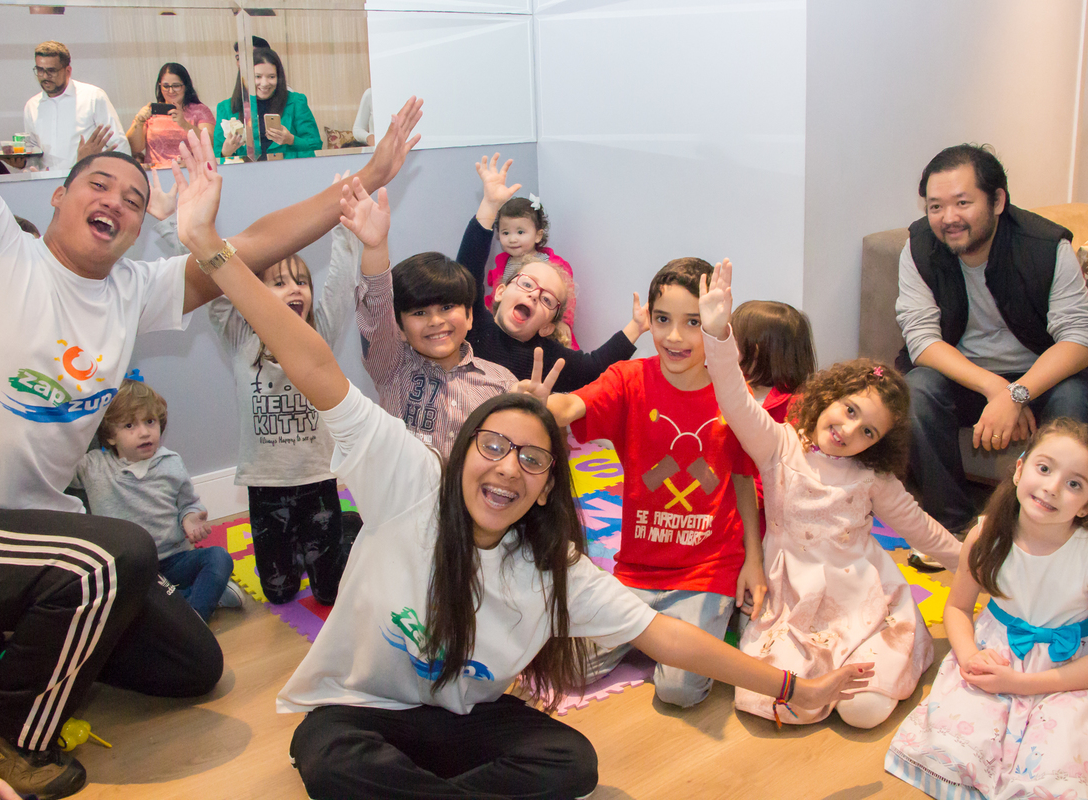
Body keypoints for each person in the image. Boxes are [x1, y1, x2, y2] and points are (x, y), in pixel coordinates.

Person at [167, 130, 874, 800]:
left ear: (545, 489)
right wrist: (209, 248)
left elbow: (668, 636)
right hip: (363, 709)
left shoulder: (549, 565)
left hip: (464, 717)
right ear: (466, 450)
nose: (508, 470)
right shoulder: (409, 480)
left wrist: (792, 688)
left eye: (532, 461)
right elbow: (312, 359)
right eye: (495, 447)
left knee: (571, 761)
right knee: (334, 758)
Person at [0, 88, 422, 798]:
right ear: (57, 198)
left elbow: (262, 242)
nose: (116, 199)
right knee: (117, 554)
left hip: (40, 537)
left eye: (135, 198)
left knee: (194, 666)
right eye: (98, 184)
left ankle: (12, 645)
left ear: (141, 225)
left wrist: (374, 177)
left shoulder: (131, 292)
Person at [698, 258, 962, 729]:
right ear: (828, 396)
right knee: (784, 704)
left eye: (868, 431)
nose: (849, 430)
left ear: (879, 445)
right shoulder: (777, 444)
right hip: (792, 599)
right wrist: (717, 334)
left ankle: (882, 664)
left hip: (862, 601)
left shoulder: (872, 478)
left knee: (864, 712)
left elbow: (920, 530)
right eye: (848, 410)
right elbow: (734, 398)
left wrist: (975, 565)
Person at [885, 419, 1088, 798]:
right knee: (958, 747)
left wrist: (1021, 684)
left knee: (1058, 763)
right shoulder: (986, 534)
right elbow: (958, 608)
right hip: (1000, 654)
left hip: (1075, 670)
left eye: (1074, 484)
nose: (1052, 488)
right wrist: (970, 656)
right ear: (1019, 468)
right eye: (1044, 469)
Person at [540, 258, 762, 709]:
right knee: (565, 669)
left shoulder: (732, 396)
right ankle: (661, 636)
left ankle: (697, 629)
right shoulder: (630, 379)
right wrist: (544, 407)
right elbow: (573, 406)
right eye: (663, 320)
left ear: (716, 324)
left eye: (693, 323)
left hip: (706, 571)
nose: (674, 337)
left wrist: (753, 561)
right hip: (636, 570)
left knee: (678, 692)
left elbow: (743, 479)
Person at [896, 144, 1088, 538]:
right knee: (915, 393)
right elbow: (921, 339)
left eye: (962, 203)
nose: (948, 218)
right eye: (935, 206)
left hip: (1041, 372)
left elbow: (1080, 338)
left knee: (1073, 403)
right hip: (970, 375)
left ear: (998, 201)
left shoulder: (1046, 246)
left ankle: (1038, 530)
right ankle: (952, 529)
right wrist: (997, 389)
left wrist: (1018, 393)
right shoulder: (919, 246)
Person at [209, 207, 366, 606]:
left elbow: (341, 280)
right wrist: (176, 227)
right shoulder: (240, 335)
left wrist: (345, 223)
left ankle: (346, 527)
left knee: (329, 594)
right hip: (266, 485)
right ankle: (303, 546)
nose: (295, 289)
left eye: (300, 282)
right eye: (278, 283)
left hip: (317, 480)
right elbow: (208, 276)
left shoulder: (319, 333)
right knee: (278, 596)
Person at [348, 179, 515, 458]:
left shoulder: (501, 384)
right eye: (419, 312)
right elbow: (377, 311)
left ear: (470, 315)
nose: (436, 321)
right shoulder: (393, 368)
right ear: (399, 327)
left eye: (447, 307)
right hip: (407, 500)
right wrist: (375, 247)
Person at [457, 154, 646, 393]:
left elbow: (592, 367)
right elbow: (466, 270)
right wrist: (489, 206)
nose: (535, 295)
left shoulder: (544, 357)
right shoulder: (475, 326)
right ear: (501, 291)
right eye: (527, 284)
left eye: (547, 299)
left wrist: (636, 328)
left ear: (547, 328)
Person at [70, 379, 243, 621]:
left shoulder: (171, 463)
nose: (144, 432)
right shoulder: (93, 467)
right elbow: (57, 473)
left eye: (150, 422)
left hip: (173, 560)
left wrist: (191, 519)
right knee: (115, 605)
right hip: (130, 570)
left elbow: (188, 505)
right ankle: (200, 597)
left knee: (219, 557)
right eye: (130, 425)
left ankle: (194, 616)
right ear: (110, 436)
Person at [731, 299, 817, 529]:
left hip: (760, 521)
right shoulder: (722, 386)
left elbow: (785, 477)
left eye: (731, 339)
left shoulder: (797, 409)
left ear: (756, 349)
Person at [485, 194, 578, 348]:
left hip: (545, 332)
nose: (512, 239)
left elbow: (567, 298)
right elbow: (497, 299)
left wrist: (564, 322)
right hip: (514, 333)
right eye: (505, 233)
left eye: (520, 232)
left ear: (538, 235)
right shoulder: (502, 266)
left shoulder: (552, 264)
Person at [23, 40, 129, 171]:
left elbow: (119, 146)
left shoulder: (93, 97)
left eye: (51, 71)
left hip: (88, 183)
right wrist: (24, 164)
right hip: (49, 185)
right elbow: (33, 154)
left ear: (68, 71)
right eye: (40, 70)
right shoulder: (32, 106)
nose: (45, 76)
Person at [214, 47, 321, 161]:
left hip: (288, 172)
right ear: (245, 78)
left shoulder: (296, 102)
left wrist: (291, 139)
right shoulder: (225, 108)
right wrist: (225, 152)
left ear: (279, 77)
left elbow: (315, 146)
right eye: (257, 77)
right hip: (245, 174)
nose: (264, 83)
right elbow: (217, 156)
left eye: (271, 77)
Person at [126, 63, 216, 168]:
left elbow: (209, 144)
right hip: (156, 175)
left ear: (186, 86)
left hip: (191, 173)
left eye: (176, 86)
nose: (171, 91)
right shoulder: (150, 111)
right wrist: (139, 121)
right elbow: (134, 148)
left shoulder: (200, 110)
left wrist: (184, 124)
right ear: (160, 86)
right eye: (166, 86)